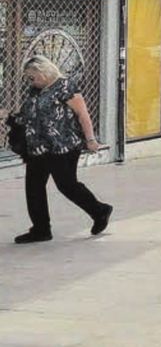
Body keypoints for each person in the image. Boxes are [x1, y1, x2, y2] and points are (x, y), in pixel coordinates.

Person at [10, 56, 112, 244]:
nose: (31, 82)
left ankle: (100, 211)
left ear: (43, 71)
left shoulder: (66, 86)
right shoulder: (35, 90)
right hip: (38, 148)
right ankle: (41, 229)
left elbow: (83, 115)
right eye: (28, 78)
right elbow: (30, 113)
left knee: (67, 185)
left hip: (62, 146)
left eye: (33, 77)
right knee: (33, 187)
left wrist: (90, 140)